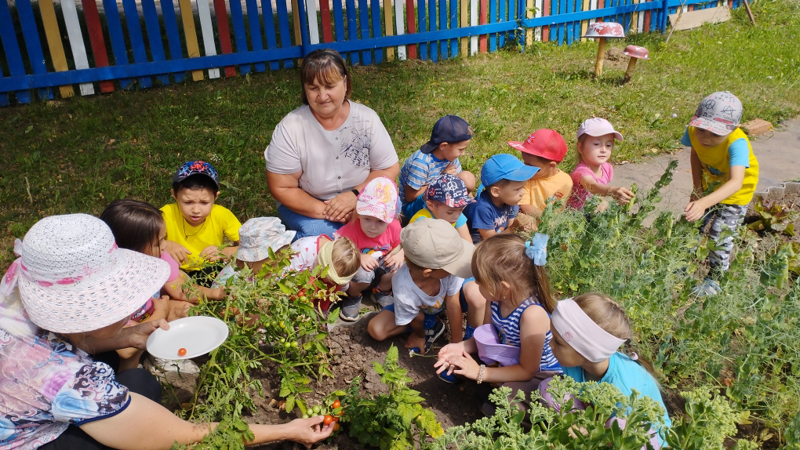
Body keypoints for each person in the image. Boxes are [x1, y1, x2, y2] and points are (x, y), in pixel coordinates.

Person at [0, 214, 333, 449]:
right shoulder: (72, 382)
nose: (129, 310)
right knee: (141, 397)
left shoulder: (16, 289)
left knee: (139, 382)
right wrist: (288, 430)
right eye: (118, 302)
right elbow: (187, 433)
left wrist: (124, 337)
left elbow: (60, 337)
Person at [265, 49, 400, 240]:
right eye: (313, 88)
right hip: (311, 205)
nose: (322, 96)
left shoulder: (366, 119)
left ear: (345, 83)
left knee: (393, 209)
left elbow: (387, 168)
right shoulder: (290, 127)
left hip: (363, 197)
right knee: (322, 235)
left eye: (329, 86)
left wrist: (355, 196)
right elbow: (282, 188)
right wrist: (331, 212)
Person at [435, 234, 561, 395]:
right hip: (508, 358)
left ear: (503, 288)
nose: (476, 284)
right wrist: (459, 347)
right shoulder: (494, 299)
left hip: (540, 374)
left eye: (480, 281)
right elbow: (489, 339)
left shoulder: (532, 315)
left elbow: (527, 370)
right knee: (462, 364)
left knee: (509, 397)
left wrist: (480, 372)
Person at [542, 293, 671, 448]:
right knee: (551, 388)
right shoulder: (573, 363)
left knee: (620, 425)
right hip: (600, 417)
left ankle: (584, 438)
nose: (550, 344)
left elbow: (625, 431)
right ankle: (577, 435)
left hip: (641, 435)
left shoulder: (625, 387)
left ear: (586, 350)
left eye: (558, 341)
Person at [100, 199, 210, 373]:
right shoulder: (110, 286)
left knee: (189, 310)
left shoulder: (160, 256)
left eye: (164, 238)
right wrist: (161, 313)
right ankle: (153, 361)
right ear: (132, 248)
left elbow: (181, 289)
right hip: (126, 333)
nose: (165, 246)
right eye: (159, 242)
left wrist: (216, 293)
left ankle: (160, 352)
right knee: (128, 358)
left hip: (153, 313)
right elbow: (125, 349)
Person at [682, 92, 759, 296]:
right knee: (691, 225)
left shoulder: (737, 143)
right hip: (710, 186)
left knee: (719, 235)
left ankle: (716, 277)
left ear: (733, 129)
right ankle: (680, 264)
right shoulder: (693, 131)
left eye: (715, 134)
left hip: (735, 193)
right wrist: (697, 189)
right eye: (702, 130)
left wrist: (703, 202)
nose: (705, 138)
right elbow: (695, 154)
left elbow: (735, 182)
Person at [367, 219, 474, 355]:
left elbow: (453, 304)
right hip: (419, 312)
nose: (457, 267)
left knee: (476, 294)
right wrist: (420, 335)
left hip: (447, 302)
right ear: (428, 272)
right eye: (454, 264)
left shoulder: (447, 269)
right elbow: (416, 318)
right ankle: (432, 325)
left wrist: (456, 345)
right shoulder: (403, 287)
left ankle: (472, 337)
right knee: (376, 330)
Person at [335, 177, 404, 321]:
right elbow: (337, 249)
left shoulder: (394, 227)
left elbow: (401, 244)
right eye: (367, 219)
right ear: (359, 214)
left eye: (380, 221)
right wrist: (359, 256)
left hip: (382, 264)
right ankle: (354, 296)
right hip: (360, 270)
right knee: (363, 275)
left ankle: (381, 291)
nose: (372, 226)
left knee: (398, 267)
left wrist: (400, 254)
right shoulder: (351, 231)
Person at [160, 161, 242, 283]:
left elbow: (251, 246)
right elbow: (143, 245)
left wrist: (225, 252)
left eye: (204, 203)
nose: (196, 210)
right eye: (188, 202)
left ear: (216, 197)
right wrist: (166, 245)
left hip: (213, 269)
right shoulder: (166, 214)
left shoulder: (221, 214)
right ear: (175, 195)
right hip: (176, 271)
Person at [398, 115, 477, 220]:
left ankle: (465, 213)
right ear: (443, 146)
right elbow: (410, 196)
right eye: (461, 149)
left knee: (466, 178)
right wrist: (441, 178)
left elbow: (460, 185)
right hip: (414, 207)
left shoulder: (450, 157)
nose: (463, 153)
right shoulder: (421, 162)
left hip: (440, 200)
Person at [463, 154, 537, 244]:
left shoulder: (511, 201)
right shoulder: (482, 208)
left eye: (523, 187)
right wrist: (513, 228)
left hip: (498, 239)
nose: (522, 193)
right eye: (517, 189)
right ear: (496, 192)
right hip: (478, 245)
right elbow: (490, 241)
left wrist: (524, 226)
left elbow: (511, 227)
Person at [567, 118, 634, 211]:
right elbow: (592, 186)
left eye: (608, 145)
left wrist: (607, 199)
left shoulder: (607, 168)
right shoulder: (580, 172)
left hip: (591, 212)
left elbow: (599, 192)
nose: (603, 149)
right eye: (596, 144)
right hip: (575, 217)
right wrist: (611, 191)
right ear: (580, 147)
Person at [213, 216, 297, 287]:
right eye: (270, 265)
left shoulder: (264, 271)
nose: (276, 268)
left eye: (283, 262)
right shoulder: (230, 280)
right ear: (249, 260)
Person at [508, 129, 573, 218]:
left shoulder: (566, 181)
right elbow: (524, 206)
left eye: (530, 165)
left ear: (551, 166)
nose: (525, 167)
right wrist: (547, 220)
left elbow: (560, 208)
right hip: (527, 224)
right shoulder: (525, 177)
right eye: (524, 162)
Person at [287, 234, 360, 313]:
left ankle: (320, 311)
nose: (329, 283)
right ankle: (301, 310)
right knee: (310, 283)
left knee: (334, 286)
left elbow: (343, 287)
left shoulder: (335, 255)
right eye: (328, 278)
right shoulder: (303, 250)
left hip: (312, 286)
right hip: (296, 284)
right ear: (321, 262)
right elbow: (284, 277)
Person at [408, 173, 474, 242]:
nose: (457, 216)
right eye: (450, 212)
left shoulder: (456, 214)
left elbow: (468, 243)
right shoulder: (421, 223)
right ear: (431, 206)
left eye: (461, 209)